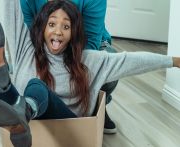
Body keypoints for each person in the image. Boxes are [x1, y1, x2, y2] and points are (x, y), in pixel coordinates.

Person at [0, 0, 180, 147]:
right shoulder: (27, 49)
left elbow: (131, 61)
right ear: (42, 28)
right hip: (26, 118)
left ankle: (6, 94)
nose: (58, 31)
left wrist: (172, 61)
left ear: (74, 32)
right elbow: (13, 7)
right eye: (52, 24)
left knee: (35, 87)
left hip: (68, 123)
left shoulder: (89, 60)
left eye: (66, 26)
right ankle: (5, 90)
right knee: (22, 93)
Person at [20, 0, 118, 134]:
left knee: (107, 62)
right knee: (20, 69)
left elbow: (91, 44)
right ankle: (31, 105)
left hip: (82, 46)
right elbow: (29, 35)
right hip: (44, 44)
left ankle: (96, 103)